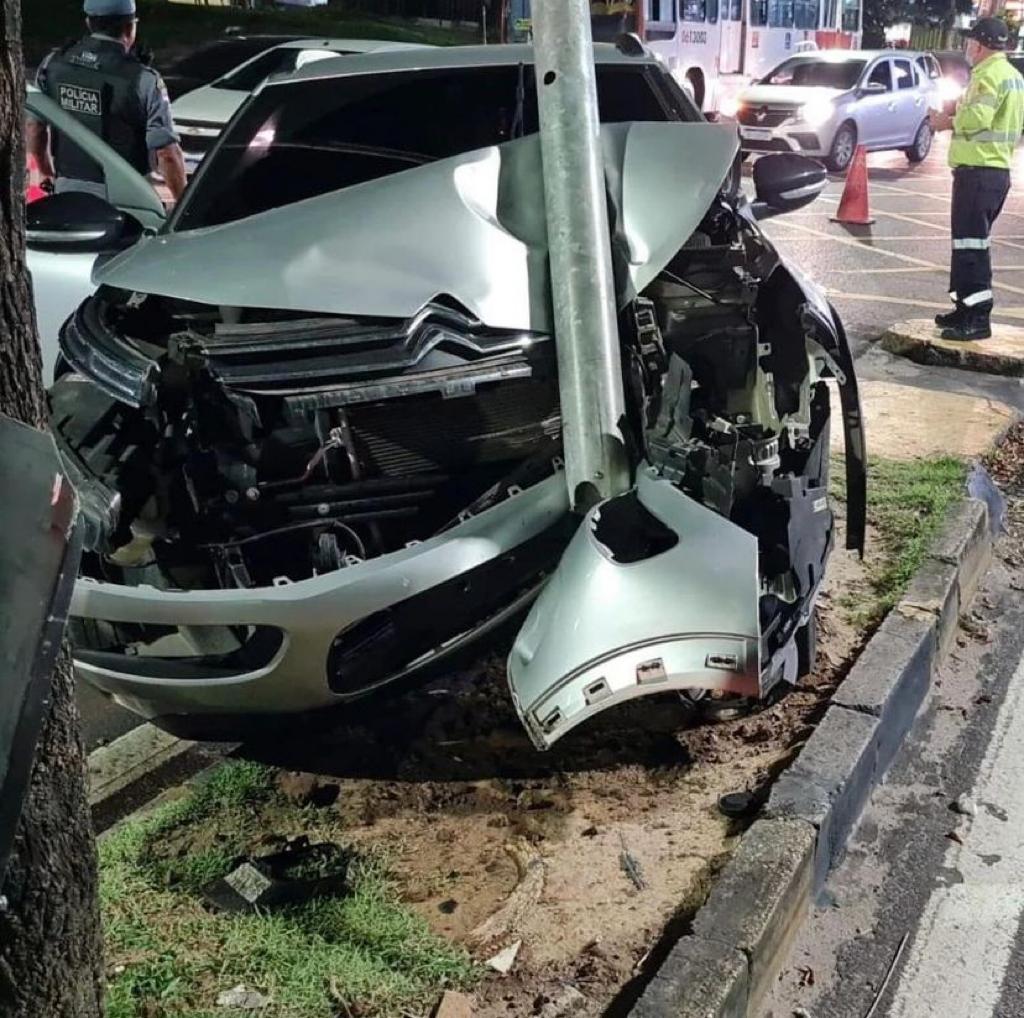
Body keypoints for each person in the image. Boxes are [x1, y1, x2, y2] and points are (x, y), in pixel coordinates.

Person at [25, 0, 187, 204]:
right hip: (126, 197)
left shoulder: (53, 64)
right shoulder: (143, 79)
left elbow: (34, 127)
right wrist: (184, 206)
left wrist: (46, 171)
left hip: (67, 190)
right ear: (130, 27)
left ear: (88, 22)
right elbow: (167, 154)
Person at [929, 17, 1024, 341]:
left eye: (971, 42)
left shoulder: (988, 76)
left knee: (971, 247)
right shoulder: (1011, 75)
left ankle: (977, 318)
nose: (968, 47)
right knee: (968, 244)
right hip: (993, 172)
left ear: (981, 44)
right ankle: (964, 308)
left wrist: (946, 120)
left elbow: (977, 119)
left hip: (979, 173)